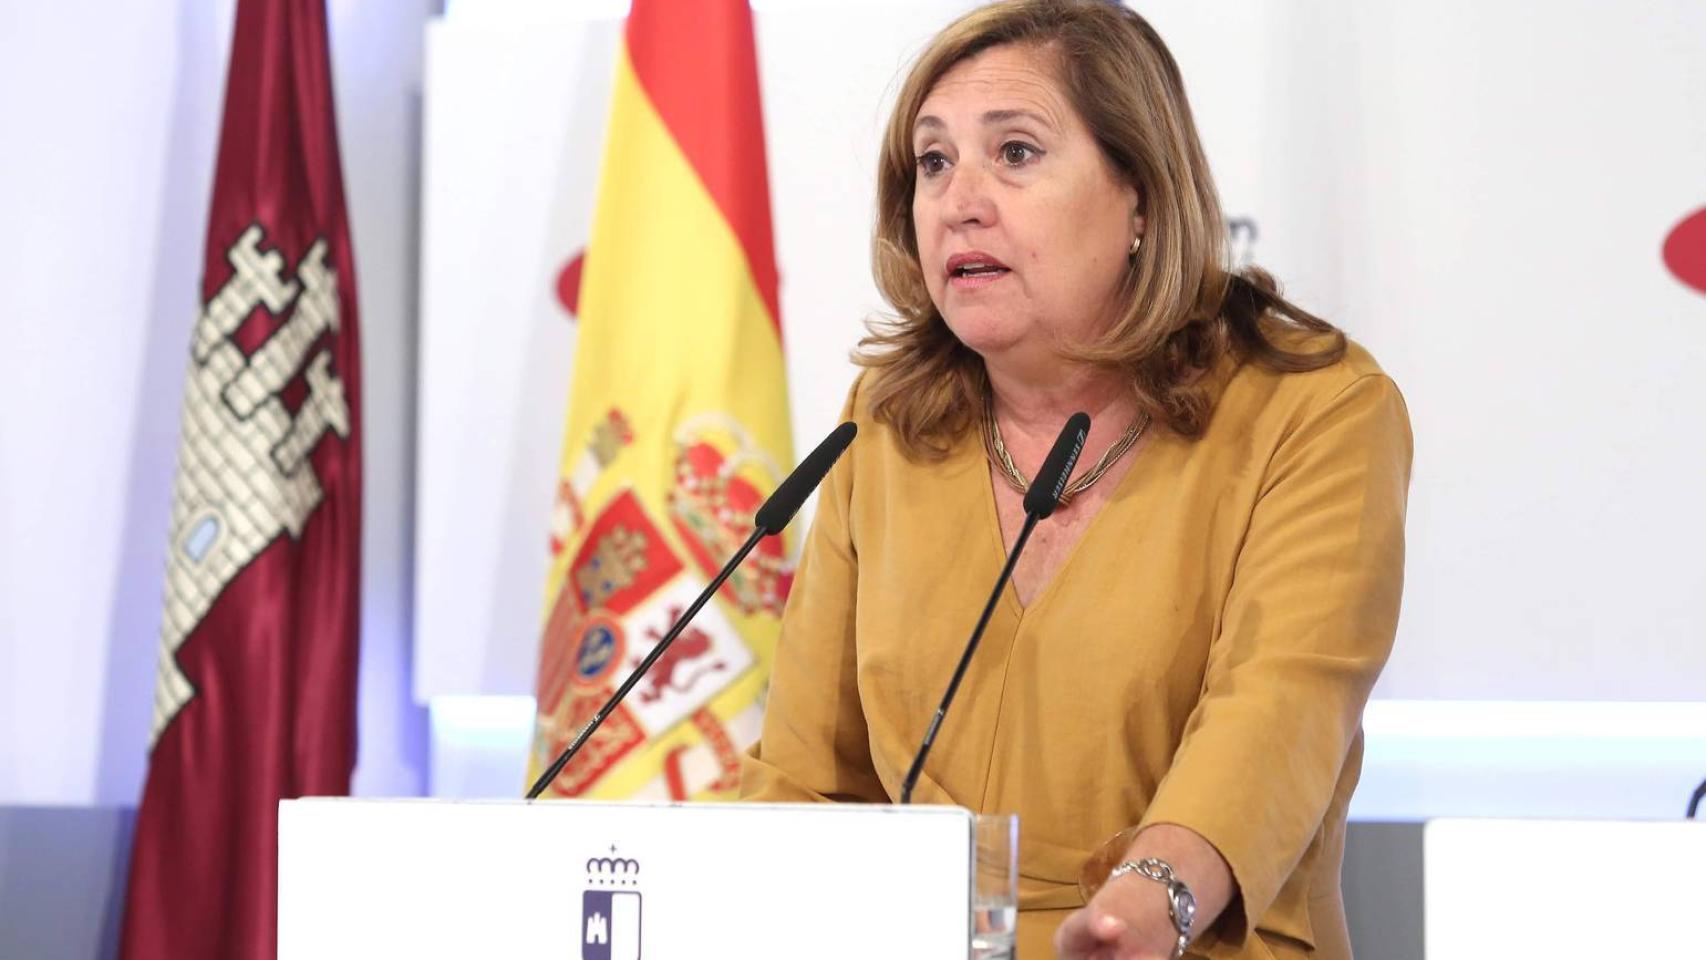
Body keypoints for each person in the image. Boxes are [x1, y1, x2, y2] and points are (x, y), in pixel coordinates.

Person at [739, 2, 1411, 957]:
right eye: (933, 162)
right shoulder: (889, 419)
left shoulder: (1313, 411)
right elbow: (808, 778)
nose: (959, 198)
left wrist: (1149, 903)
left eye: (1014, 153)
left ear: (1139, 193)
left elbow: (1279, 710)